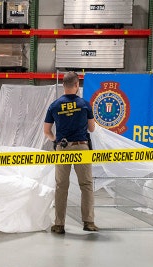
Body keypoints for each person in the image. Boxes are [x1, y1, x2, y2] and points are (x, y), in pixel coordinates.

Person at [43, 71, 98, 234]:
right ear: (76, 85)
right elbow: (92, 128)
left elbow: (46, 130)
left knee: (61, 186)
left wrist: (55, 140)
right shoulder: (85, 104)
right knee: (86, 185)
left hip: (63, 147)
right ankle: (88, 222)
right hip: (81, 147)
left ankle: (59, 224)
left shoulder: (54, 105)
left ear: (63, 85)